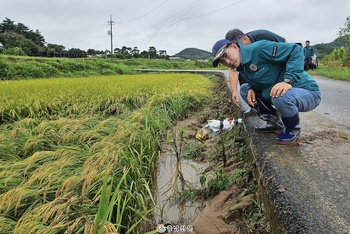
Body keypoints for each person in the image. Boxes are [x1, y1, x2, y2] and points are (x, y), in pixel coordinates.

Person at [211, 39, 321, 145]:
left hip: (307, 92)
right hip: (278, 93)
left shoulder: (259, 48)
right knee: (245, 89)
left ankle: (292, 128)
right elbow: (260, 78)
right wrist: (251, 88)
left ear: (235, 47)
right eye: (222, 61)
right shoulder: (242, 66)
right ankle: (274, 123)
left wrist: (288, 81)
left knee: (280, 96)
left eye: (226, 55)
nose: (227, 62)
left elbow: (295, 50)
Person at [224, 29, 287, 116]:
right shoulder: (238, 56)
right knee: (244, 81)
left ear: (245, 39)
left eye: (238, 46)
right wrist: (234, 91)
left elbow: (287, 46)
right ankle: (268, 114)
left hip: (275, 65)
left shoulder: (263, 35)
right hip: (255, 70)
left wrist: (289, 77)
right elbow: (233, 70)